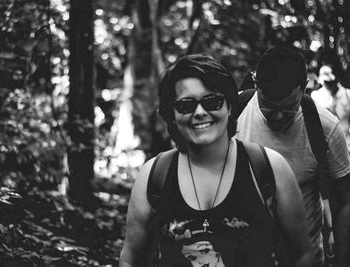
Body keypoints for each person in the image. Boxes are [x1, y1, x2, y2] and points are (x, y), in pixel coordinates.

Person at [119, 54, 316, 267]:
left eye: (212, 102)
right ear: (172, 115)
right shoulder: (155, 175)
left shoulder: (268, 168)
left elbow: (301, 256)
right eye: (186, 105)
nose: (200, 112)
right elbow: (130, 259)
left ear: (230, 106)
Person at [236, 46, 350, 267]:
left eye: (288, 108)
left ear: (304, 87)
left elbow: (345, 200)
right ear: (256, 84)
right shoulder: (233, 114)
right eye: (268, 107)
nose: (278, 117)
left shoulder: (324, 127)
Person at [311, 65, 350, 152]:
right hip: (326, 147)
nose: (328, 84)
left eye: (330, 81)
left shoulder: (347, 95)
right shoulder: (317, 97)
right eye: (325, 82)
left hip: (346, 144)